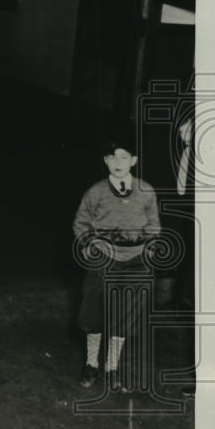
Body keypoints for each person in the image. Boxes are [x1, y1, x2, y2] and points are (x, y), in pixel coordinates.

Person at [73, 137, 161, 391]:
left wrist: (149, 248)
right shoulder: (96, 191)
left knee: (125, 316)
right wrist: (89, 244)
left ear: (134, 160)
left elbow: (153, 225)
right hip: (103, 260)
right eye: (112, 157)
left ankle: (112, 368)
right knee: (93, 313)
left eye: (124, 157)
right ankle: (91, 364)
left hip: (135, 262)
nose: (118, 162)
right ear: (105, 161)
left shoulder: (146, 191)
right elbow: (81, 222)